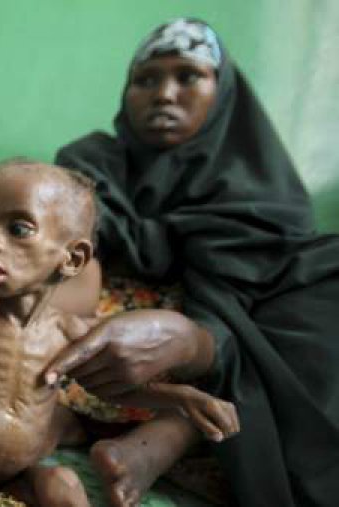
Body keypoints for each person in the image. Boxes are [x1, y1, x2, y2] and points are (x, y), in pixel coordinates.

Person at [46, 18, 339, 507]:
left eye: (188, 76)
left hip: (205, 347)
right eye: (146, 79)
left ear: (224, 93)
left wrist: (201, 343)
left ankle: (169, 437)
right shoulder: (91, 161)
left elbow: (268, 282)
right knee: (31, 222)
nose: (164, 93)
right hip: (102, 351)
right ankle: (161, 431)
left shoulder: (262, 188)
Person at [0, 160, 237, 507]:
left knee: (61, 482)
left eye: (17, 229)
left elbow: (116, 389)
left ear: (72, 259)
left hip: (16, 478)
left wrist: (181, 398)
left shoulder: (66, 332)